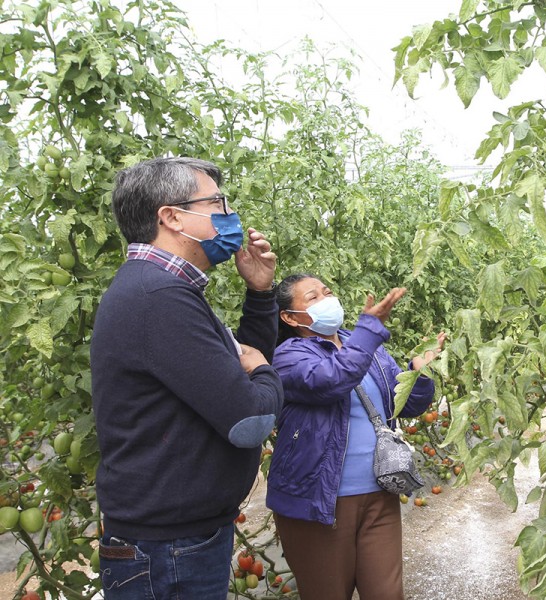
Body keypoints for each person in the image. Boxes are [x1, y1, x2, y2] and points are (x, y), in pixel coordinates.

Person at [90, 157, 284, 599]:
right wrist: (266, 372)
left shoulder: (159, 288)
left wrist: (259, 294)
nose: (229, 214)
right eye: (217, 201)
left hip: (176, 540)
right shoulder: (158, 298)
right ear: (172, 217)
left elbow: (235, 375)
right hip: (169, 550)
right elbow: (249, 419)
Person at [267, 274, 445, 600]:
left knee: (387, 594)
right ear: (290, 317)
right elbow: (331, 380)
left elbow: (406, 403)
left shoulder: (366, 348)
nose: (326, 299)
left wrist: (421, 371)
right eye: (313, 297)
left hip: (380, 495)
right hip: (318, 503)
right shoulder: (288, 355)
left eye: (328, 292)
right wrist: (368, 331)